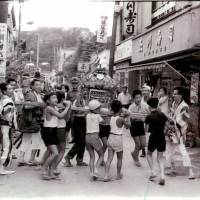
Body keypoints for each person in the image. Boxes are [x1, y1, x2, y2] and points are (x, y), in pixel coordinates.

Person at [165, 86, 195, 179]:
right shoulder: (174, 103)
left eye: (175, 94)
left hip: (180, 132)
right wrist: (170, 118)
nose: (173, 95)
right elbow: (172, 114)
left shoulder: (184, 106)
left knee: (183, 151)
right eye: (173, 94)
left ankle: (190, 171)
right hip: (172, 131)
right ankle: (171, 168)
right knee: (169, 151)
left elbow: (186, 120)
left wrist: (174, 120)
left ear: (180, 95)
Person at [41, 92, 71, 180]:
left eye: (56, 97)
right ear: (48, 101)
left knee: (53, 152)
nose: (56, 99)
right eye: (53, 98)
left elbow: (61, 109)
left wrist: (65, 106)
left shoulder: (53, 107)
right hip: (48, 132)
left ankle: (50, 172)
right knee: (55, 153)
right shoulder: (49, 108)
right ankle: (44, 170)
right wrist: (68, 107)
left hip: (52, 131)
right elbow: (61, 116)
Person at [18, 79, 45, 166]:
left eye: (40, 85)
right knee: (36, 140)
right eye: (37, 85)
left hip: (30, 120)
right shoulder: (30, 94)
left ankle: (21, 158)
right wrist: (38, 104)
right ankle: (31, 159)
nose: (39, 86)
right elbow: (26, 106)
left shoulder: (38, 95)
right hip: (31, 120)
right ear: (32, 86)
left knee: (26, 139)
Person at [104, 100, 130, 181]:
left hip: (110, 137)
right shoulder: (121, 119)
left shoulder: (111, 117)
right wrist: (128, 117)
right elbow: (128, 125)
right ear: (120, 108)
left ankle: (106, 175)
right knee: (119, 158)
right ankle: (118, 175)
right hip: (118, 138)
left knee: (109, 158)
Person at [145, 98, 168, 186]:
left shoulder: (149, 116)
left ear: (149, 106)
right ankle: (162, 176)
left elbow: (146, 129)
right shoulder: (162, 114)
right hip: (161, 136)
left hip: (153, 136)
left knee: (149, 154)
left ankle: (153, 171)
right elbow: (167, 126)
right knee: (160, 158)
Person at [63, 92, 88, 167]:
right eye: (85, 92)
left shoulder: (84, 100)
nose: (86, 94)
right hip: (77, 120)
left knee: (83, 141)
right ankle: (68, 157)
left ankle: (79, 159)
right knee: (79, 140)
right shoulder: (77, 98)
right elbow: (77, 110)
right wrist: (85, 110)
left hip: (83, 119)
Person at [0, 83, 18, 174]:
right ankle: (1, 168)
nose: (12, 90)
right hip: (5, 126)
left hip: (3, 125)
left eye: (12, 88)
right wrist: (12, 123)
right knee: (6, 146)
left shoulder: (2, 99)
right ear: (4, 91)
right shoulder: (8, 101)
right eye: (9, 89)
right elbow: (8, 116)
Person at [128, 90, 149, 167]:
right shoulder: (131, 107)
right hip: (133, 126)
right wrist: (134, 117)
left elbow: (148, 113)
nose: (138, 99)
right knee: (138, 144)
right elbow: (128, 117)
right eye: (136, 98)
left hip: (140, 125)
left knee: (143, 144)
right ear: (133, 99)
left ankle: (134, 153)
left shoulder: (145, 105)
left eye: (140, 97)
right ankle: (136, 159)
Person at [86, 99, 104, 181]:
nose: (100, 109)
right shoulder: (97, 116)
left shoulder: (87, 115)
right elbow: (102, 122)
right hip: (95, 136)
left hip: (87, 137)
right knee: (101, 155)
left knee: (92, 157)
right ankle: (96, 169)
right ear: (95, 109)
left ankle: (91, 172)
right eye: (99, 108)